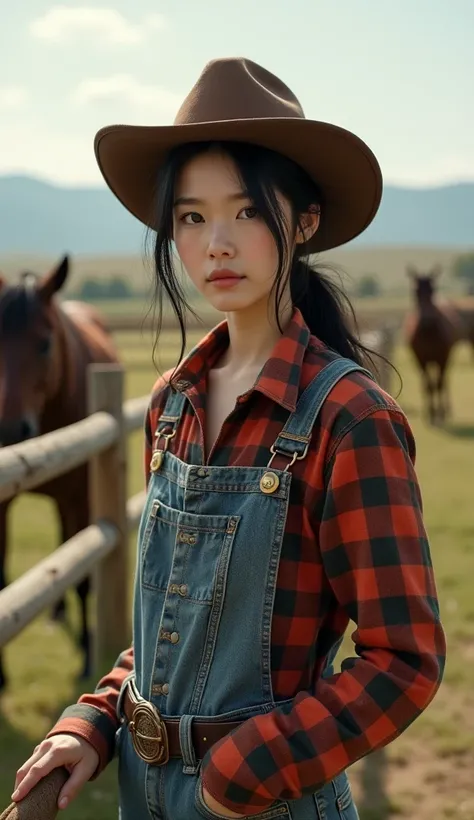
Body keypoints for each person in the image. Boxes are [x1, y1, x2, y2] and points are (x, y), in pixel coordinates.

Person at [11, 57, 446, 820]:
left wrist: (246, 768)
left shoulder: (351, 419)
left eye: (246, 212)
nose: (216, 242)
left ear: (303, 220)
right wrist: (94, 721)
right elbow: (169, 626)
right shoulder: (171, 404)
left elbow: (404, 660)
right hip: (140, 799)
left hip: (263, 803)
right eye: (190, 216)